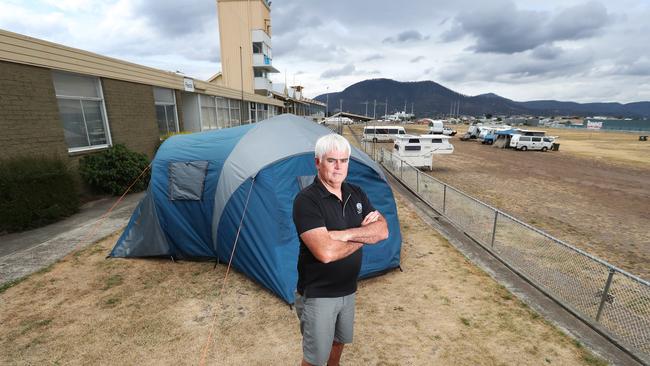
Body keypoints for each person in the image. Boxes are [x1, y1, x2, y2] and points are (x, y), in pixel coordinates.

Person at [292, 134, 389, 366]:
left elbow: (383, 230)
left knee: (338, 343)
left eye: (344, 160)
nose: (338, 167)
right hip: (319, 294)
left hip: (349, 290)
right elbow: (325, 253)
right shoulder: (306, 200)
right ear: (318, 162)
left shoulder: (357, 193)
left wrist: (343, 234)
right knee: (315, 358)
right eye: (331, 160)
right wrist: (363, 235)